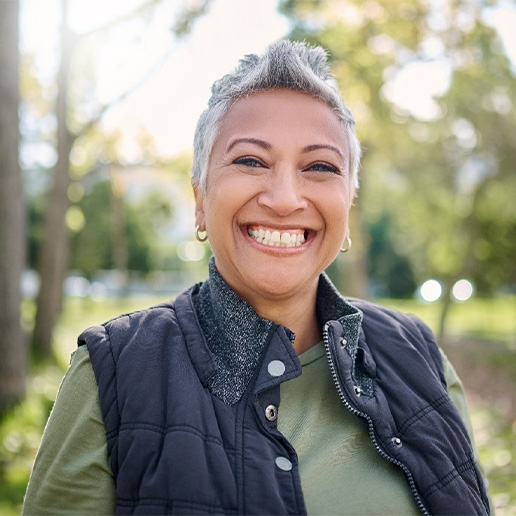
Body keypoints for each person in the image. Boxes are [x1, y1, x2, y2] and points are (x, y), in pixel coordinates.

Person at [23, 40, 490, 516]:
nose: (285, 198)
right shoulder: (111, 374)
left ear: (348, 204)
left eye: (320, 167)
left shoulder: (419, 354)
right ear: (201, 200)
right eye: (250, 161)